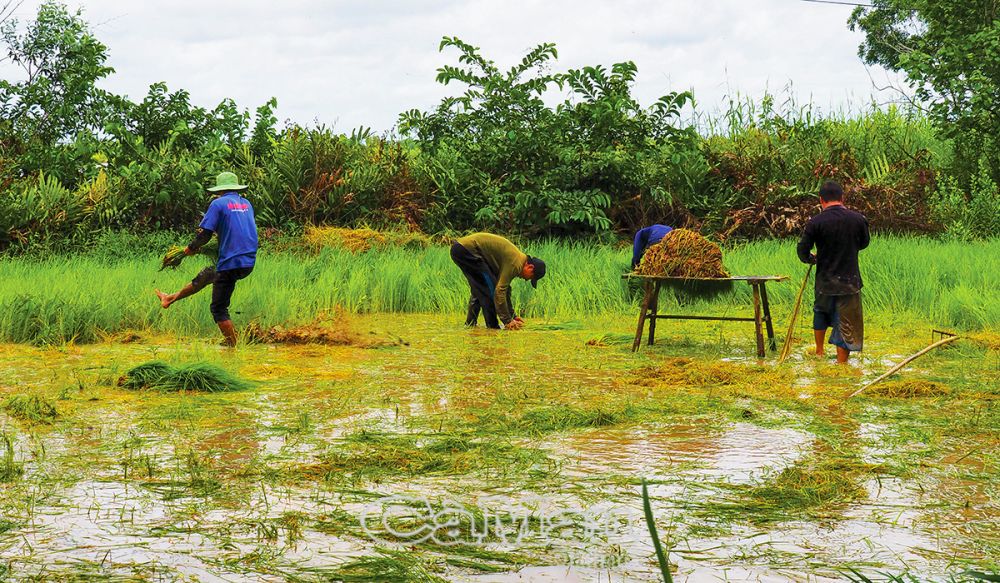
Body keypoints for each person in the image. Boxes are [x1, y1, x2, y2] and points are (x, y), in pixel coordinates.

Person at [155, 172, 258, 347]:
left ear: (220, 190)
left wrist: (190, 249)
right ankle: (169, 298)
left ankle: (233, 347)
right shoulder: (246, 204)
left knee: (218, 308)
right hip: (248, 261)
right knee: (206, 275)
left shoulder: (218, 203)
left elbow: (205, 235)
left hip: (231, 261)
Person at [796, 181, 870, 364]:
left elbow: (802, 249)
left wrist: (811, 258)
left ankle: (819, 352)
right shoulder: (858, 219)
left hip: (825, 281)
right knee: (846, 321)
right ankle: (841, 363)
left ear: (821, 200)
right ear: (842, 198)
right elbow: (864, 243)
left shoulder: (815, 222)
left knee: (820, 312)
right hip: (849, 282)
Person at [450, 233, 546, 330]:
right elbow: (499, 291)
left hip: (462, 249)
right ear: (530, 267)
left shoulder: (517, 260)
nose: (526, 280)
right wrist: (507, 321)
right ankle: (493, 329)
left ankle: (470, 325)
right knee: (489, 291)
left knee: (480, 289)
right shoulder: (516, 264)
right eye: (530, 277)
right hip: (467, 250)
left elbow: (506, 289)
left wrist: (512, 316)